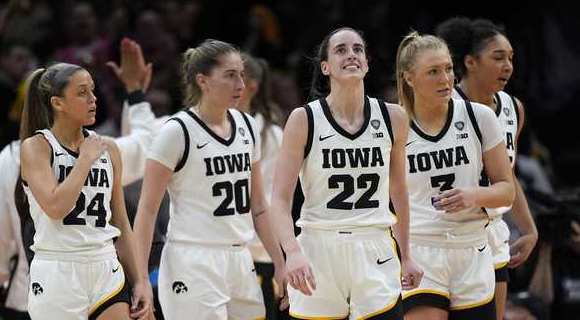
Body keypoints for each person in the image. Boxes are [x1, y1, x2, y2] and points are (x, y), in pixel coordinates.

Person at [0, 38, 156, 320]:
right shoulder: (35, 147)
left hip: (105, 265)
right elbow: (55, 207)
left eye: (93, 91)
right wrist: (85, 159)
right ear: (58, 103)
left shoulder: (108, 148)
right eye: (83, 93)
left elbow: (121, 222)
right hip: (58, 270)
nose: (94, 99)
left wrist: (140, 281)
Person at [271, 27, 423, 319]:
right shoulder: (304, 119)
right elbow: (278, 199)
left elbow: (399, 191)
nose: (351, 54)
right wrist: (292, 253)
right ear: (325, 67)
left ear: (366, 64)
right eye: (341, 50)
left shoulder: (394, 117)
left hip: (374, 245)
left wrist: (406, 256)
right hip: (318, 246)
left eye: (358, 49)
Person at [133, 39, 286, 319]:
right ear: (202, 81)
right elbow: (147, 210)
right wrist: (141, 278)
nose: (240, 83)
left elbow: (260, 207)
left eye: (241, 74)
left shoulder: (247, 127)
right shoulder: (176, 132)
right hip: (193, 259)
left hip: (241, 258)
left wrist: (280, 261)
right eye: (230, 75)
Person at [395, 31, 515, 320]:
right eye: (433, 71)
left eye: (448, 69)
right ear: (409, 78)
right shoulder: (395, 124)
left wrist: (474, 194)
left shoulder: (479, 117)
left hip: (472, 247)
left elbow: (507, 189)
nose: (445, 79)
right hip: (420, 248)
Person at [436, 17, 538, 320]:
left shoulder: (512, 107)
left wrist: (529, 229)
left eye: (510, 59)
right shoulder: (441, 104)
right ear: (470, 62)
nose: (507, 66)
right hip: (443, 232)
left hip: (491, 233)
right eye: (498, 58)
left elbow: (508, 176)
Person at [238, 53, 286, 319]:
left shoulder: (270, 134)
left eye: (237, 76)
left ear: (252, 87)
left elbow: (268, 198)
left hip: (258, 250)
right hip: (224, 248)